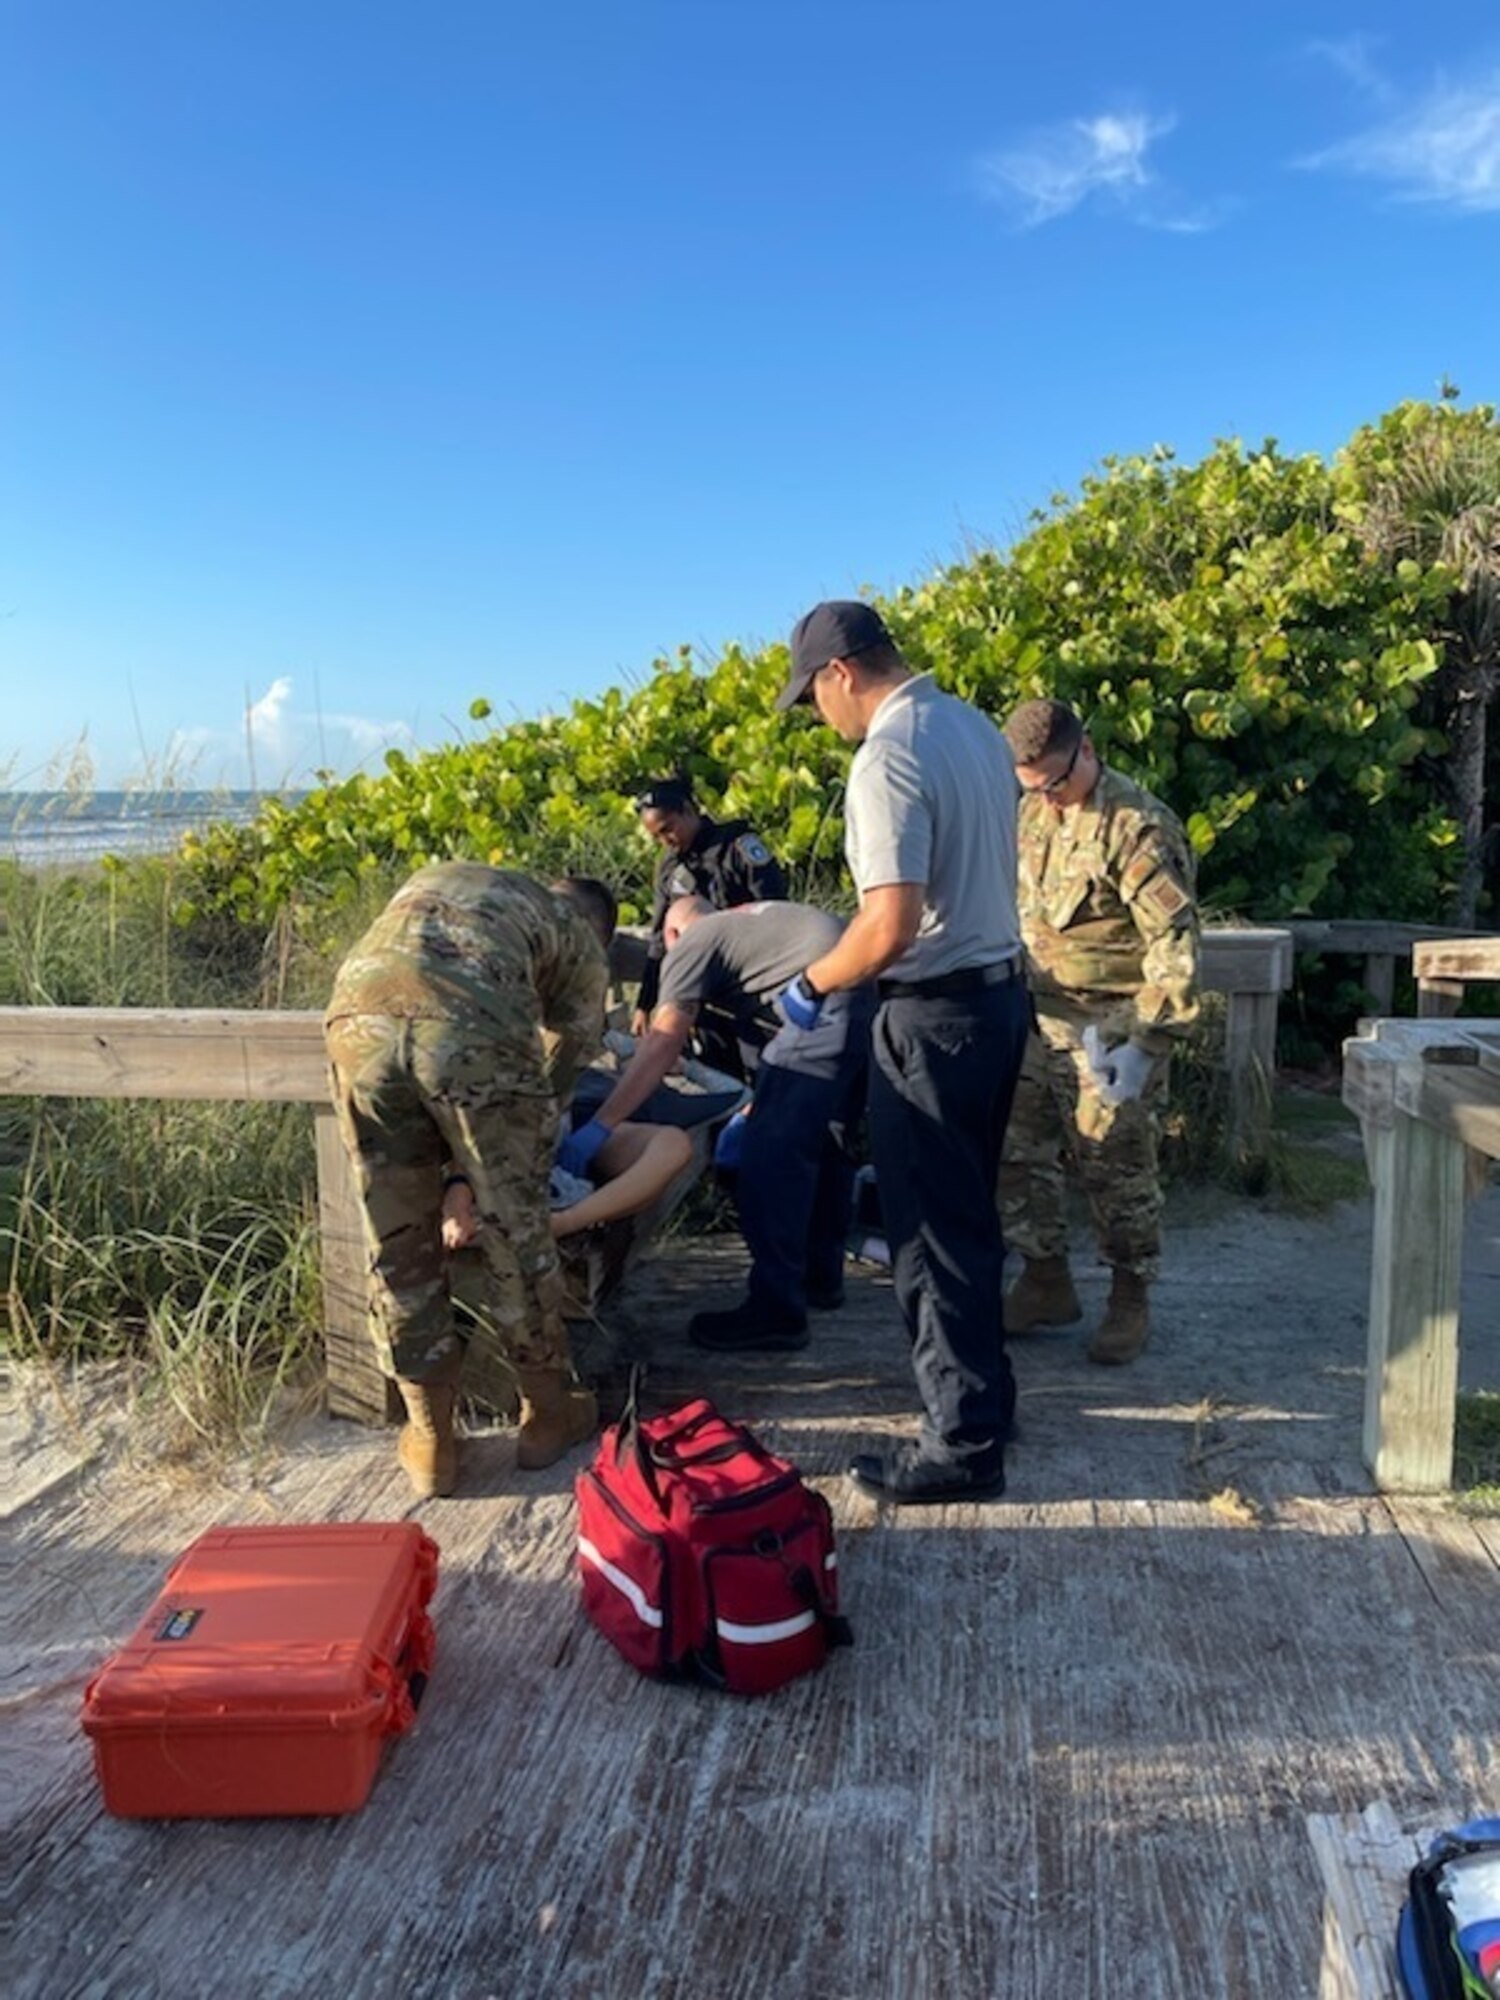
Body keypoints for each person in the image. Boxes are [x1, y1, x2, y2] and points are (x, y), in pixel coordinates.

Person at [773, 600, 1029, 1504]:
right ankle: (988, 1400)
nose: (819, 719)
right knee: (971, 1217)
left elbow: (887, 926)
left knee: (928, 1235)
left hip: (934, 1020)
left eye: (813, 700)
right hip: (1000, 1003)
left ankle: (961, 1447)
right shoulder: (971, 727)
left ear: (840, 672)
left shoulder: (887, 756)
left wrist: (810, 984)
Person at [324, 864, 616, 1499]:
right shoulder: (577, 933)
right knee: (517, 1228)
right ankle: (544, 1414)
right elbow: (566, 1056)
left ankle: (431, 1437)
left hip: (357, 1017)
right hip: (472, 1026)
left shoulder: (461, 883)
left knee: (396, 1235)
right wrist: (518, 1139)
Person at [562, 895, 871, 1351]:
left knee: (767, 1159)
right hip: (866, 995)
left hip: (824, 1007)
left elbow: (663, 1042)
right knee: (828, 1145)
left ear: (670, 936)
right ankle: (820, 1279)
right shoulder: (747, 924)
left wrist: (602, 1125)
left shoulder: (692, 943)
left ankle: (776, 1312)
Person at [998, 698, 1200, 1363]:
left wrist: (1146, 1043)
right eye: (1031, 786)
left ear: (1085, 751)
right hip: (1038, 1015)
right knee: (1016, 1152)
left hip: (1111, 1027)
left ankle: (1129, 1295)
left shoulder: (1138, 828)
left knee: (1115, 1167)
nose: (1046, 798)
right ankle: (1045, 1279)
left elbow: (1173, 947)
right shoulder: (1032, 810)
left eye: (1054, 782)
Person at [630, 777, 787, 1053]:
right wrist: (645, 1004)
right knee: (716, 1077)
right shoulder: (670, 869)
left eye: (668, 829)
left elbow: (778, 912)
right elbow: (658, 940)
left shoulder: (738, 847)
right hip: (702, 996)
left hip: (752, 989)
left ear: (689, 810)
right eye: (657, 837)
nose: (666, 841)